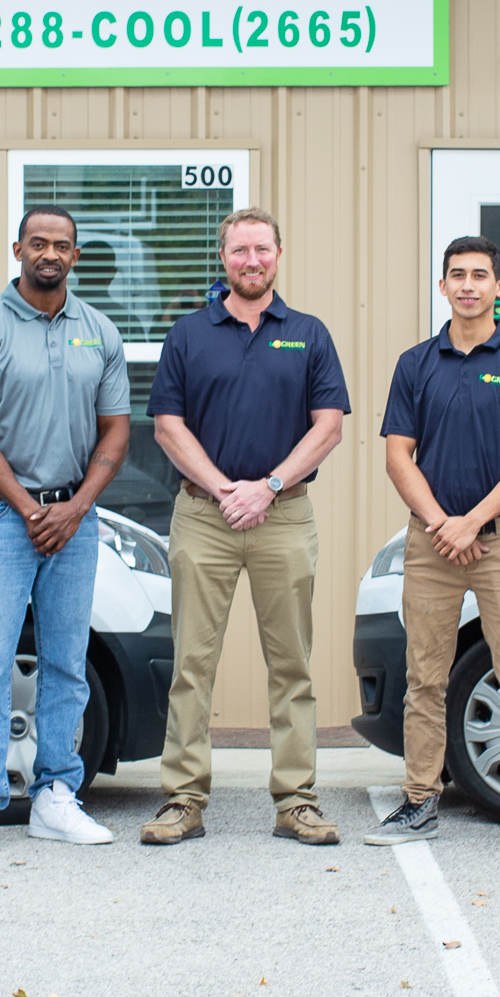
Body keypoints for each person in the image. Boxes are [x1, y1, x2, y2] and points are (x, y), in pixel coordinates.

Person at [139, 208, 350, 847]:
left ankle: (297, 801)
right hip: (205, 516)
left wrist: (268, 487)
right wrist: (224, 488)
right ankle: (183, 799)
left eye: (262, 249)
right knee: (192, 663)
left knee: (293, 665)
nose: (251, 261)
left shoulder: (308, 334)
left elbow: (329, 426)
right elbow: (168, 425)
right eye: (239, 251)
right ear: (223, 258)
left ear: (279, 255)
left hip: (283, 515)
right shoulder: (189, 334)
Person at [366, 236, 500, 855]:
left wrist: (471, 521)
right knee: (424, 679)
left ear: (499, 288)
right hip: (433, 546)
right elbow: (398, 454)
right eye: (457, 275)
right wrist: (440, 524)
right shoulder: (416, 363)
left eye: (480, 275)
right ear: (443, 286)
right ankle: (420, 801)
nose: (468, 285)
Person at [0, 205, 131, 854]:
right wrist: (29, 507)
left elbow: (116, 427)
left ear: (75, 256)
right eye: (39, 242)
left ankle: (56, 793)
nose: (50, 252)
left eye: (63, 244)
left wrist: (75, 506)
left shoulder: (98, 330)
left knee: (65, 664)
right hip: (3, 519)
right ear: (17, 248)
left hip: (74, 523)